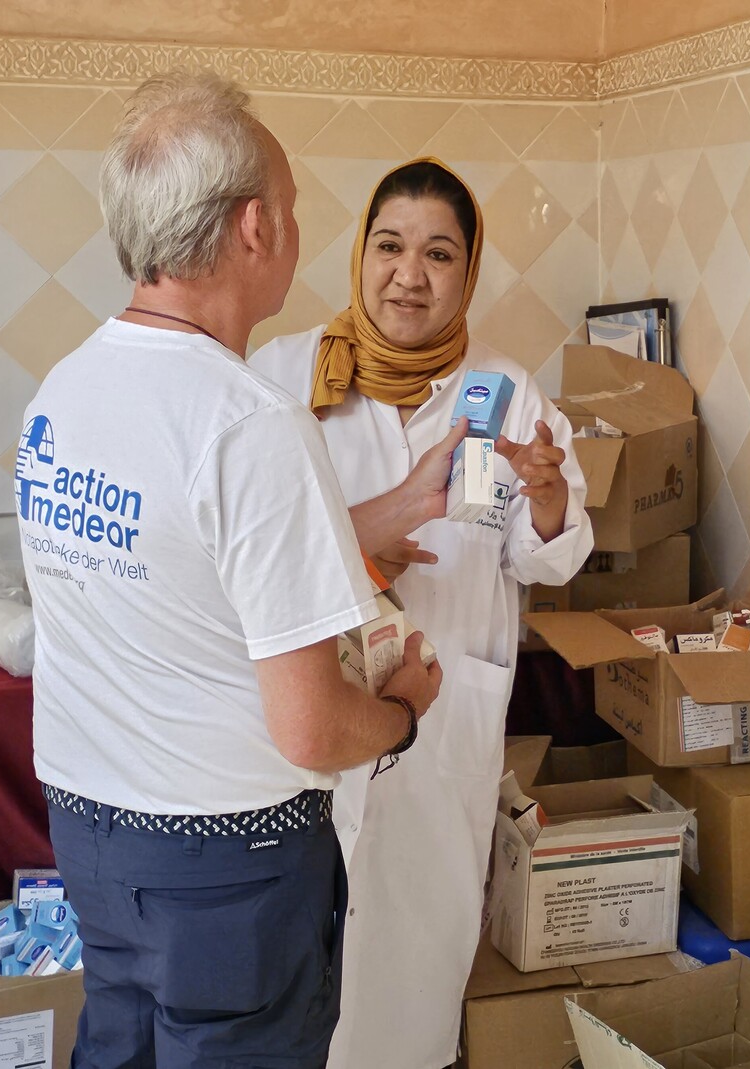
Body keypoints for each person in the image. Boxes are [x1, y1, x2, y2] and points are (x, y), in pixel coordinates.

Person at [17, 73, 457, 1069]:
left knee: (118, 1048)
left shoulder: (67, 389)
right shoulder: (248, 423)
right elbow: (310, 726)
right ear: (257, 227)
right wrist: (402, 709)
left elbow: (174, 582)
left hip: (89, 834)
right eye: (295, 211)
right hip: (227, 864)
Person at [250, 157, 594, 1069]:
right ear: (360, 252)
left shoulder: (509, 391)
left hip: (447, 722)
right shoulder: (285, 376)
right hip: (318, 714)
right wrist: (368, 540)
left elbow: (544, 555)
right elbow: (242, 548)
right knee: (302, 968)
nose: (410, 274)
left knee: (415, 974)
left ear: (469, 272)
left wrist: (551, 497)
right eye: (390, 246)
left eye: (439, 254)